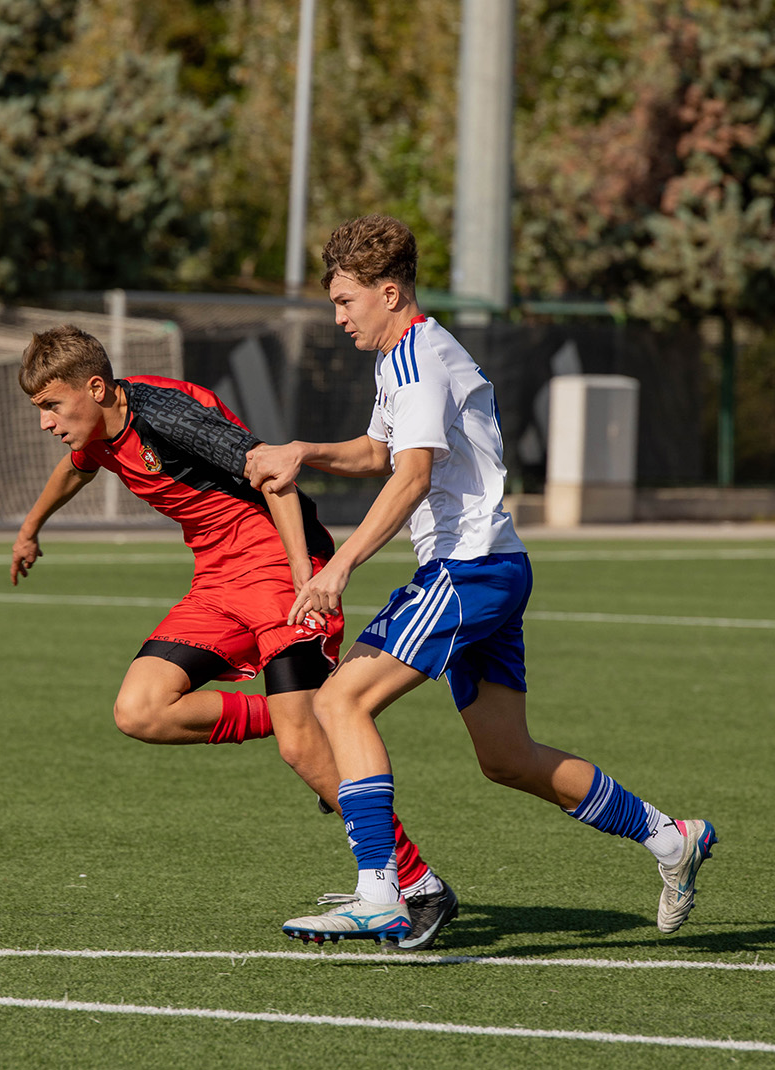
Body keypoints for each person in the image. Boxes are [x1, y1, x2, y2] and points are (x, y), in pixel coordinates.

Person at [245, 215, 716, 944]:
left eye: (346, 302)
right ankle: (668, 838)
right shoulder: (404, 355)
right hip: (494, 566)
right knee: (506, 758)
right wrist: (305, 450)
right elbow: (379, 451)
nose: (337, 318)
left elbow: (410, 477)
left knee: (339, 702)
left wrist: (338, 567)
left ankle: (380, 888)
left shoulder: (415, 361)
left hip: (466, 568)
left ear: (389, 292)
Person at [12, 324, 458, 949]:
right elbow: (74, 470)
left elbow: (272, 474)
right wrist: (32, 527)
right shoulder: (98, 430)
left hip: (278, 568)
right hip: (217, 582)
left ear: (95, 388)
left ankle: (419, 886)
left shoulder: (169, 414)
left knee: (304, 750)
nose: (46, 423)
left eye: (52, 407)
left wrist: (307, 577)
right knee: (139, 710)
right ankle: (291, 717)